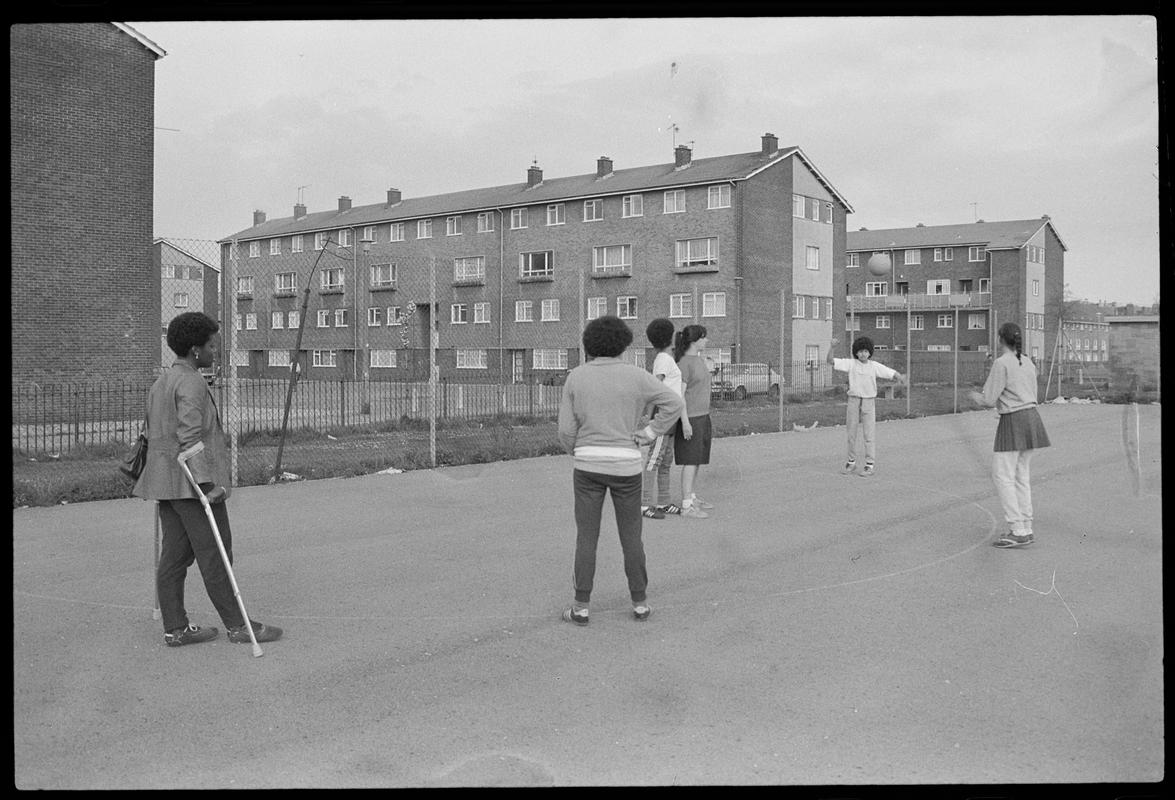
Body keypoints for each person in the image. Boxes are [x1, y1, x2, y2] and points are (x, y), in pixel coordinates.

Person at [134, 312, 283, 647]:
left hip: (165, 481)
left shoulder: (163, 380)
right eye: (211, 345)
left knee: (174, 555)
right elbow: (189, 438)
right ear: (194, 350)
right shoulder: (192, 381)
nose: (215, 352)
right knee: (216, 553)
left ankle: (175, 628)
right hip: (191, 483)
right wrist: (206, 485)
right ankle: (238, 625)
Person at [557, 315, 685, 625]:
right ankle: (640, 602)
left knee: (587, 536)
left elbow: (565, 429)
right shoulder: (636, 376)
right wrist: (651, 433)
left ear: (590, 344)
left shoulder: (577, 376)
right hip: (627, 464)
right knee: (631, 536)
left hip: (588, 465)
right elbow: (673, 403)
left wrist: (578, 449)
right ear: (623, 344)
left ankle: (581, 606)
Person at [968, 322, 1051, 548]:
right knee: (1021, 476)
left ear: (999, 339)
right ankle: (1026, 526)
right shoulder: (1028, 362)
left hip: (1014, 421)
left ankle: (1017, 529)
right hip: (1032, 419)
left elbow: (988, 399)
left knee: (1003, 477)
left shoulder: (1001, 363)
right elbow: (1029, 393)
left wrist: (974, 396)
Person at [827, 336, 905, 477]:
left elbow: (890, 372)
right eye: (860, 351)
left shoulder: (874, 366)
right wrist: (832, 347)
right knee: (851, 433)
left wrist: (900, 377)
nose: (863, 354)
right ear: (856, 352)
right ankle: (851, 462)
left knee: (868, 433)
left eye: (865, 351)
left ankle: (869, 464)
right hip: (853, 400)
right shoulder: (851, 364)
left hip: (868, 401)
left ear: (870, 352)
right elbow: (830, 361)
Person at [640, 318, 684, 519]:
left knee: (666, 460)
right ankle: (645, 504)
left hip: (671, 416)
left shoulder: (667, 358)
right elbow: (654, 389)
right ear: (669, 337)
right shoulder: (663, 360)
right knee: (654, 460)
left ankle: (663, 502)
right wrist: (648, 417)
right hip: (663, 416)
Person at [673, 324, 714, 518]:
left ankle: (692, 496)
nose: (707, 340)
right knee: (690, 461)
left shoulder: (699, 360)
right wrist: (685, 422)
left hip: (702, 416)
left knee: (697, 459)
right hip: (690, 418)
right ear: (695, 340)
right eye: (704, 337)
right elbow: (679, 396)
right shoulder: (684, 364)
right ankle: (686, 505)